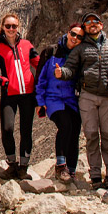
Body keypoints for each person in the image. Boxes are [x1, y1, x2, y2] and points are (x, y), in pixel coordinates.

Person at [54, 12, 108, 189]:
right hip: (87, 96)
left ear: (101, 25)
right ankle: (96, 176)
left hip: (107, 96)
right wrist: (62, 74)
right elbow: (71, 69)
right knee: (91, 135)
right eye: (88, 22)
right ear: (85, 27)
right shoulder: (80, 49)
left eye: (95, 22)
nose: (92, 24)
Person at [0, 13, 40, 179]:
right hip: (9, 93)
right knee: (7, 129)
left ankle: (23, 167)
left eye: (14, 26)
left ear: (18, 27)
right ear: (3, 27)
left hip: (28, 94)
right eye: (8, 26)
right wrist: (3, 81)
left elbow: (39, 63)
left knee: (26, 130)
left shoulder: (27, 45)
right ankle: (11, 164)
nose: (11, 29)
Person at [36, 23, 83, 183]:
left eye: (79, 37)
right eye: (73, 34)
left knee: (75, 130)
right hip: (53, 98)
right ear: (68, 33)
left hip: (71, 99)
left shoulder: (79, 55)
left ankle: (72, 170)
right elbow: (40, 79)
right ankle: (61, 166)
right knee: (65, 125)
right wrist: (40, 101)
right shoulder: (51, 51)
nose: (75, 38)